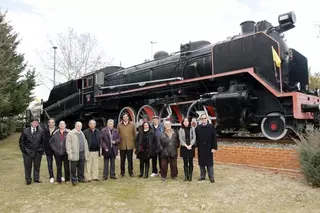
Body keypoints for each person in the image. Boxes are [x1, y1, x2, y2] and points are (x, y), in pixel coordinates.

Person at [19, 118, 45, 185]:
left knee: (37, 166)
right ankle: (28, 180)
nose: (35, 124)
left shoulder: (41, 131)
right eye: (34, 122)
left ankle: (36, 179)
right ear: (31, 123)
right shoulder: (25, 131)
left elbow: (43, 142)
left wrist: (40, 150)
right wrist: (24, 150)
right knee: (27, 166)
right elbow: (21, 142)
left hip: (37, 152)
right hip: (27, 152)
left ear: (38, 124)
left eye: (36, 122)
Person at [195, 114, 218, 183]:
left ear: (207, 119)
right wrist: (195, 146)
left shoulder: (211, 127)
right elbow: (196, 139)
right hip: (201, 147)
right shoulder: (198, 128)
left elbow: (214, 138)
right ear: (200, 120)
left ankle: (211, 177)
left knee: (209, 163)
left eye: (204, 118)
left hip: (209, 147)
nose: (203, 119)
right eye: (202, 118)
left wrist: (214, 147)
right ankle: (202, 176)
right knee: (201, 163)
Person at [66, 121, 90, 186]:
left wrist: (86, 152)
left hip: (82, 153)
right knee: (73, 168)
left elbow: (85, 143)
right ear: (75, 126)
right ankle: (74, 180)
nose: (79, 127)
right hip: (74, 153)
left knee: (81, 167)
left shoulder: (82, 133)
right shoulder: (71, 133)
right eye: (78, 126)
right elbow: (68, 145)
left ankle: (81, 178)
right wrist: (70, 154)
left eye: (80, 126)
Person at [117, 113, 137, 177]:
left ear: (128, 117)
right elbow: (117, 135)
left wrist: (135, 145)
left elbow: (135, 135)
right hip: (122, 145)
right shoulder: (119, 125)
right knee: (122, 160)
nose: (125, 118)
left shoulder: (132, 124)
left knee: (130, 160)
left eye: (126, 117)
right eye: (124, 117)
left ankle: (131, 172)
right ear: (122, 118)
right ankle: (122, 173)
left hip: (130, 145)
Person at [43, 118, 58, 183]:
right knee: (49, 164)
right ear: (48, 123)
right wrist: (44, 149)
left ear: (54, 123)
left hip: (56, 149)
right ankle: (51, 176)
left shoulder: (58, 130)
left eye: (52, 122)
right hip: (48, 150)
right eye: (50, 122)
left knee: (58, 164)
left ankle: (59, 175)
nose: (51, 123)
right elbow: (43, 140)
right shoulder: (45, 130)